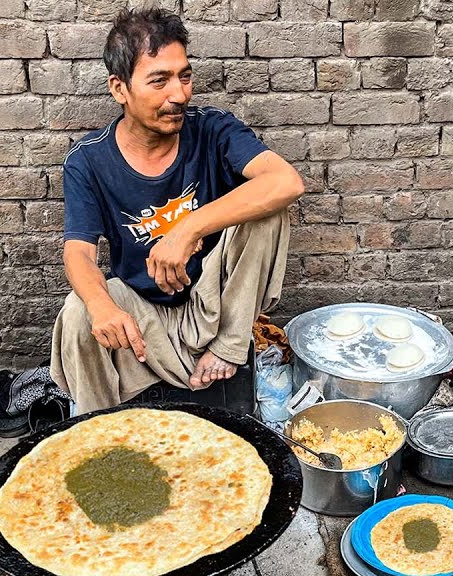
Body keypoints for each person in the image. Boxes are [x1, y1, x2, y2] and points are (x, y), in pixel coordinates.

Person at [50, 8, 305, 413]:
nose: (179, 95)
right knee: (79, 310)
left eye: (184, 76)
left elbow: (286, 182)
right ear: (120, 89)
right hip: (143, 317)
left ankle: (228, 351)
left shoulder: (213, 130)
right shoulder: (88, 161)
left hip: (217, 310)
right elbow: (77, 252)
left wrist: (187, 229)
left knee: (268, 208)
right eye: (159, 81)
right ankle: (97, 429)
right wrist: (101, 307)